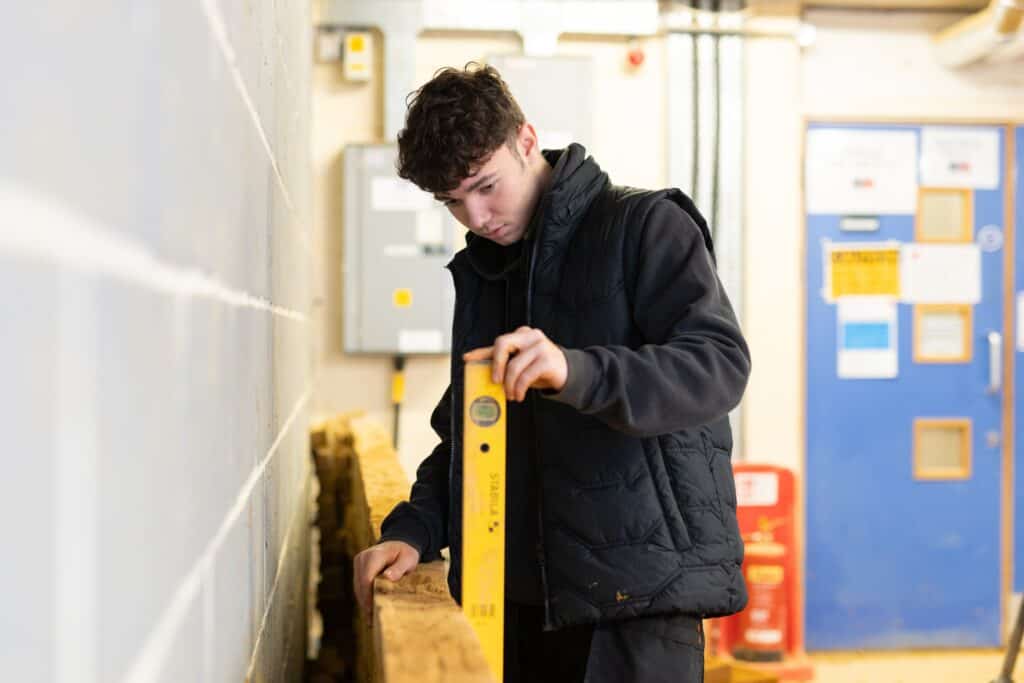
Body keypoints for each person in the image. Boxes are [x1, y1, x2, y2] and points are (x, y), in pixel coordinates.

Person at [353, 62, 751, 683]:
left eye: (486, 185)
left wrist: (577, 370)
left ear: (527, 139)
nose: (477, 217)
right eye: (452, 202)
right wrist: (416, 528)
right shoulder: (487, 269)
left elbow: (718, 365)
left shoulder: (645, 225)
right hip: (518, 600)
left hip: (638, 600)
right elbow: (470, 432)